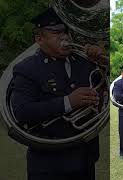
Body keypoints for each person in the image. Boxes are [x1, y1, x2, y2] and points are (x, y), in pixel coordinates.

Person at [11, 8, 105, 180]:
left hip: (85, 158)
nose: (65, 37)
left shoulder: (85, 62)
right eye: (55, 32)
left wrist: (104, 61)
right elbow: (22, 112)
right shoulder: (28, 68)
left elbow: (105, 90)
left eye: (66, 31)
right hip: (48, 165)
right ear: (39, 39)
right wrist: (68, 102)